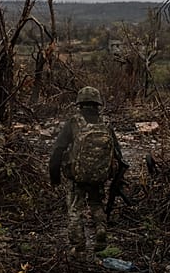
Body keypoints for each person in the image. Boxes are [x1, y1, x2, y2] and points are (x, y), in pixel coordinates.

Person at [49, 86, 123, 256]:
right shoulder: (105, 123)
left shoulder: (74, 122)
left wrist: (54, 176)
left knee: (75, 208)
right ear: (98, 103)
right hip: (99, 175)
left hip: (77, 176)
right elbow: (117, 152)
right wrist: (114, 173)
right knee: (96, 204)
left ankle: (79, 245)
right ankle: (101, 231)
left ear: (79, 103)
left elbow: (58, 150)